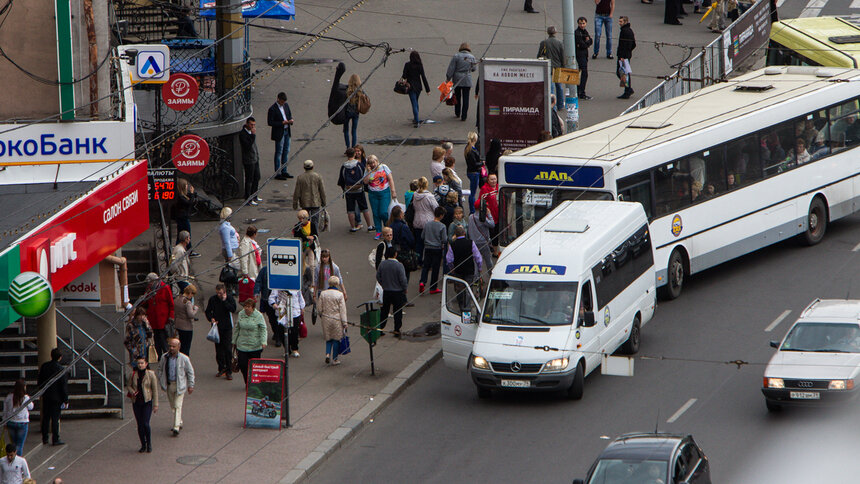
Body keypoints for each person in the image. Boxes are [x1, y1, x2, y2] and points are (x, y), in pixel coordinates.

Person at [157, 338, 195, 437]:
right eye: (170, 346)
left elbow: (190, 372)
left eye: (174, 346)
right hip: (169, 385)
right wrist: (162, 381)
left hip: (180, 386)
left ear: (179, 347)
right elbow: (160, 369)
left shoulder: (184, 359)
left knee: (178, 405)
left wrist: (191, 385)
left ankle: (176, 427)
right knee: (173, 406)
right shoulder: (164, 357)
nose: (172, 348)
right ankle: (179, 421)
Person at [205, 283, 237, 380]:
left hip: (227, 327)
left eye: (221, 293)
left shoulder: (229, 298)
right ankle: (221, 368)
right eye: (218, 293)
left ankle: (229, 370)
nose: (219, 295)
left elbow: (233, 309)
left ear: (224, 292)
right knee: (219, 350)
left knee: (227, 349)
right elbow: (208, 311)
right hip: (216, 327)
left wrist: (224, 301)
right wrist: (211, 318)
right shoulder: (213, 299)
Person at [337, 147, 373, 232]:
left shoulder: (344, 166)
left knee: (350, 210)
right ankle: (369, 226)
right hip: (359, 190)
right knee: (364, 208)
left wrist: (344, 189)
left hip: (349, 191)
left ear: (346, 155)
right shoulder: (359, 165)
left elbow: (341, 180)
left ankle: (353, 227)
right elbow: (363, 177)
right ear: (354, 154)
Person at [126, 357, 158, 452]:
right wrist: (132, 391)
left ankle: (149, 444)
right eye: (139, 363)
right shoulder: (133, 374)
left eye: (142, 363)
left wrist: (155, 404)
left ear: (146, 364)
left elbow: (155, 390)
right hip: (136, 402)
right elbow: (128, 385)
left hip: (147, 401)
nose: (140, 365)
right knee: (139, 424)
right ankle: (143, 444)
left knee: (146, 423)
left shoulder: (151, 374)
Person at [233, 299, 267, 385]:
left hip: (255, 346)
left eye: (248, 307)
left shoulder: (258, 315)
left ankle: (254, 383)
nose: (246, 308)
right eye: (245, 306)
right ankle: (247, 383)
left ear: (253, 308)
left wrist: (263, 341)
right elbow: (237, 327)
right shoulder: (241, 314)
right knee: (243, 365)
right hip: (242, 345)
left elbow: (263, 329)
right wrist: (234, 340)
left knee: (255, 367)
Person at [37, 348, 68, 446]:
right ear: (60, 357)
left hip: (46, 396)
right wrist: (65, 399)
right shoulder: (61, 369)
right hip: (56, 398)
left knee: (46, 418)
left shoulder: (44, 366)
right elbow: (63, 386)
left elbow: (40, 380)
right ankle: (55, 438)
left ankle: (45, 438)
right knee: (55, 419)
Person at [377, 247, 408, 338]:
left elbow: (378, 276)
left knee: (385, 310)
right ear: (395, 254)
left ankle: (381, 328)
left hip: (387, 291)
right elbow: (403, 279)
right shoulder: (399, 265)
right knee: (397, 311)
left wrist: (383, 284)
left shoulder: (382, 264)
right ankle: (396, 329)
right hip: (397, 292)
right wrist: (404, 288)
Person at [364, 154, 397, 240]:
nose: (372, 165)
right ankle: (378, 230)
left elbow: (390, 179)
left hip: (384, 192)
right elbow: (365, 181)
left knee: (383, 212)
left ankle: (387, 228)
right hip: (373, 194)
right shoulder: (368, 170)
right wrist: (369, 172)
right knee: (375, 213)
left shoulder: (383, 167)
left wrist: (393, 191)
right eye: (370, 163)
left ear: (377, 161)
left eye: (373, 162)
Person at [317, 276, 348, 365]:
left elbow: (319, 308)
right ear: (337, 284)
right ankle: (335, 359)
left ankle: (327, 354)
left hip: (326, 318)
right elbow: (342, 310)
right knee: (336, 339)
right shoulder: (339, 295)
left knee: (328, 338)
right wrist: (345, 322)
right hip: (336, 319)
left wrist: (321, 315)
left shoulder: (323, 294)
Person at [143, 273, 174, 357]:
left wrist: (171, 316)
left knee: (163, 338)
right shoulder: (149, 289)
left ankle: (166, 354)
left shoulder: (165, 287)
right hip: (153, 318)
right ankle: (159, 355)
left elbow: (171, 304)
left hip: (163, 319)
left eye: (150, 282)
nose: (149, 284)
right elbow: (145, 302)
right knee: (156, 338)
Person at [445, 43, 478, 121]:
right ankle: (464, 116)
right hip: (467, 79)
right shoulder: (472, 57)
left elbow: (451, 68)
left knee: (457, 96)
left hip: (457, 79)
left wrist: (448, 78)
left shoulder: (456, 56)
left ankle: (457, 112)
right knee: (466, 98)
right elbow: (474, 69)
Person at [269, 288, 305, 357]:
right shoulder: (277, 287)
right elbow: (271, 297)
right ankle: (287, 349)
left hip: (294, 311)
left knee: (294, 331)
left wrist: (302, 307)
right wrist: (274, 304)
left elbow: (300, 297)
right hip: (282, 312)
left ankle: (294, 348)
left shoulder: (295, 286)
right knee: (282, 331)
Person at [420, 206, 448, 295]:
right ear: (441, 215)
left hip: (427, 248)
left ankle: (422, 281)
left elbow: (422, 236)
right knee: (435, 268)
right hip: (437, 249)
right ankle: (433, 287)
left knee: (426, 266)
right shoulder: (442, 226)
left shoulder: (427, 224)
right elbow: (444, 239)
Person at [267, 92, 294, 180]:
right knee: (279, 152)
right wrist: (281, 123)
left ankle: (284, 170)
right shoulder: (272, 109)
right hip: (279, 132)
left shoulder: (286, 106)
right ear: (278, 99)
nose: (283, 103)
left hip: (286, 130)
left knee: (286, 151)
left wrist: (290, 120)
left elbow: (289, 115)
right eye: (282, 101)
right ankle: (278, 172)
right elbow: (270, 122)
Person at [292, 159, 327, 228]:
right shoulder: (317, 176)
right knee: (315, 221)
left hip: (304, 202)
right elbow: (322, 191)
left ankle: (306, 234)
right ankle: (314, 234)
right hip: (315, 202)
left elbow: (297, 192)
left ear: (304, 167)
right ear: (313, 167)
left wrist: (295, 203)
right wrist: (324, 202)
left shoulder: (300, 177)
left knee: (305, 221)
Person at [411, 176, 439, 262]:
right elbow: (436, 208)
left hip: (417, 220)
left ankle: (418, 261)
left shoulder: (415, 195)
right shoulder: (429, 196)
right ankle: (428, 261)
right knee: (428, 243)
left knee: (419, 242)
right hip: (428, 221)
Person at [3, 380, 33, 456]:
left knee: (14, 443)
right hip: (22, 423)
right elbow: (31, 407)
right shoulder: (25, 398)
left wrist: (4, 421)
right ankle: (17, 460)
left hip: (11, 422)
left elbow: (5, 410)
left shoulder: (9, 397)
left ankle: (12, 457)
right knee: (19, 444)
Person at [254, 264, 282, 347]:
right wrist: (256, 292)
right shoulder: (264, 270)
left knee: (279, 319)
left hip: (279, 300)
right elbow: (259, 281)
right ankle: (276, 333)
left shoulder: (281, 270)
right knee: (272, 319)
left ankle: (278, 337)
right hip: (267, 299)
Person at [538, 26, 566, 108]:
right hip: (557, 67)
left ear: (548, 33)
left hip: (548, 67)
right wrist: (563, 66)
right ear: (555, 33)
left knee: (551, 88)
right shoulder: (559, 43)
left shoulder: (544, 43)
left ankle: (552, 106)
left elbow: (539, 55)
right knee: (559, 87)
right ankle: (560, 104)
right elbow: (562, 56)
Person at [402, 51, 431, 127]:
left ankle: (416, 120)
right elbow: (423, 77)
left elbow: (404, 76)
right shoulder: (420, 65)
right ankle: (416, 118)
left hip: (410, 86)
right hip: (418, 87)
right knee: (416, 101)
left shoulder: (407, 65)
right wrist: (427, 89)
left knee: (414, 103)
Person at [238, 116, 262, 205]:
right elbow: (247, 146)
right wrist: (252, 135)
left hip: (255, 158)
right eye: (251, 124)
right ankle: (248, 198)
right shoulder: (243, 134)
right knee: (249, 179)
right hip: (248, 160)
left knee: (257, 177)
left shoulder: (251, 133)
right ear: (247, 124)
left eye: (254, 125)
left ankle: (254, 195)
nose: (253, 126)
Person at [387, 206, 416, 277]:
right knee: (405, 273)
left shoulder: (390, 226)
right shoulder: (403, 227)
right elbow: (411, 240)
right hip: (404, 252)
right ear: (400, 215)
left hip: (393, 252)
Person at [173, 178, 198, 256]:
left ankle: (179, 249)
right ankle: (189, 250)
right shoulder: (180, 197)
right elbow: (189, 203)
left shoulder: (182, 195)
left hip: (182, 217)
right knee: (186, 234)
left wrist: (192, 194)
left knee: (180, 234)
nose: (187, 186)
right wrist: (192, 194)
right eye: (186, 185)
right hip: (182, 217)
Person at [173, 284, 199, 356]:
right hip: (187, 327)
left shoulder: (177, 299)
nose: (192, 296)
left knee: (181, 346)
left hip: (178, 325)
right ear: (190, 293)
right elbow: (191, 315)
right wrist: (195, 310)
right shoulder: (187, 302)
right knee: (186, 347)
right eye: (192, 294)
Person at [616, 16, 636, 100]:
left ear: (625, 22)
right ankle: (628, 89)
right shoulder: (629, 30)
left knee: (622, 73)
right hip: (626, 55)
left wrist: (623, 56)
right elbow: (633, 44)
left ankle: (628, 90)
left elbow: (625, 45)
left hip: (623, 56)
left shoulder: (625, 31)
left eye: (621, 21)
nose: (619, 23)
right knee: (624, 73)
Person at [343, 74, 364, 148]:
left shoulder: (347, 90)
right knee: (354, 131)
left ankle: (348, 147)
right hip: (356, 113)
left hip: (347, 112)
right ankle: (354, 147)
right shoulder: (360, 90)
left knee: (346, 130)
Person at [464, 132, 483, 212]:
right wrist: (482, 163)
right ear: (475, 139)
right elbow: (474, 164)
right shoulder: (472, 150)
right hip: (474, 172)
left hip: (470, 171)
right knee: (473, 193)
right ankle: (472, 210)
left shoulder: (467, 148)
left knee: (473, 192)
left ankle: (472, 209)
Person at [575, 18, 593, 100]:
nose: (582, 25)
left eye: (583, 23)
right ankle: (581, 92)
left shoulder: (585, 32)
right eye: (580, 23)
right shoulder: (577, 33)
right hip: (580, 55)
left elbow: (590, 41)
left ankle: (579, 90)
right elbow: (583, 45)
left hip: (584, 54)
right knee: (584, 73)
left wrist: (587, 42)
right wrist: (587, 42)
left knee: (582, 73)